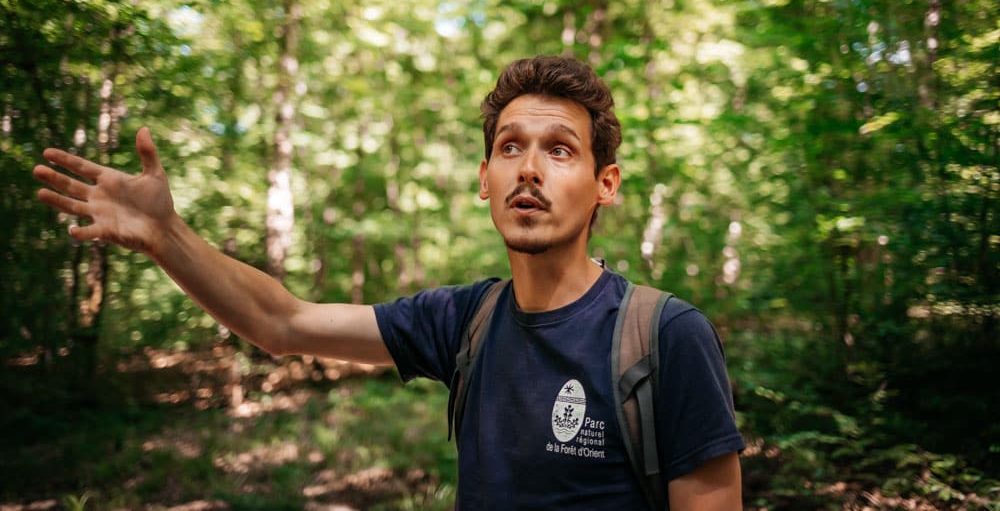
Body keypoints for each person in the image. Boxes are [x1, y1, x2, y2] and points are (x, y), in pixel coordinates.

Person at [34, 55, 744, 509]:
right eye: (509, 148)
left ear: (605, 184)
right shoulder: (464, 320)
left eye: (560, 150)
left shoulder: (663, 336)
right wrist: (167, 237)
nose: (529, 168)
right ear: (484, 179)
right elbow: (282, 322)